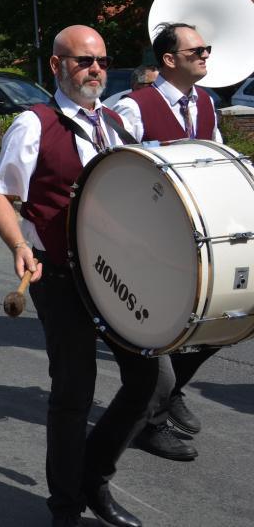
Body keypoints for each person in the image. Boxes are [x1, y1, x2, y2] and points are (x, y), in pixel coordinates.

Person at [0, 25, 159, 527]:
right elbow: (0, 193)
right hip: (60, 275)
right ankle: (66, 506)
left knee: (148, 382)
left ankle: (93, 478)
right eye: (84, 61)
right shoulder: (34, 123)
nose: (96, 69)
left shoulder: (115, 124)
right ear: (58, 65)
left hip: (116, 274)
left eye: (102, 60)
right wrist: (19, 244)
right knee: (73, 393)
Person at [115, 23, 222, 463]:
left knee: (220, 320)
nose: (206, 55)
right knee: (158, 334)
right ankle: (152, 424)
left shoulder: (207, 103)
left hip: (195, 237)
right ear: (169, 60)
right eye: (197, 49)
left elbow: (215, 161)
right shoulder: (133, 108)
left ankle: (171, 389)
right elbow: (110, 171)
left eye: (207, 48)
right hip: (148, 242)